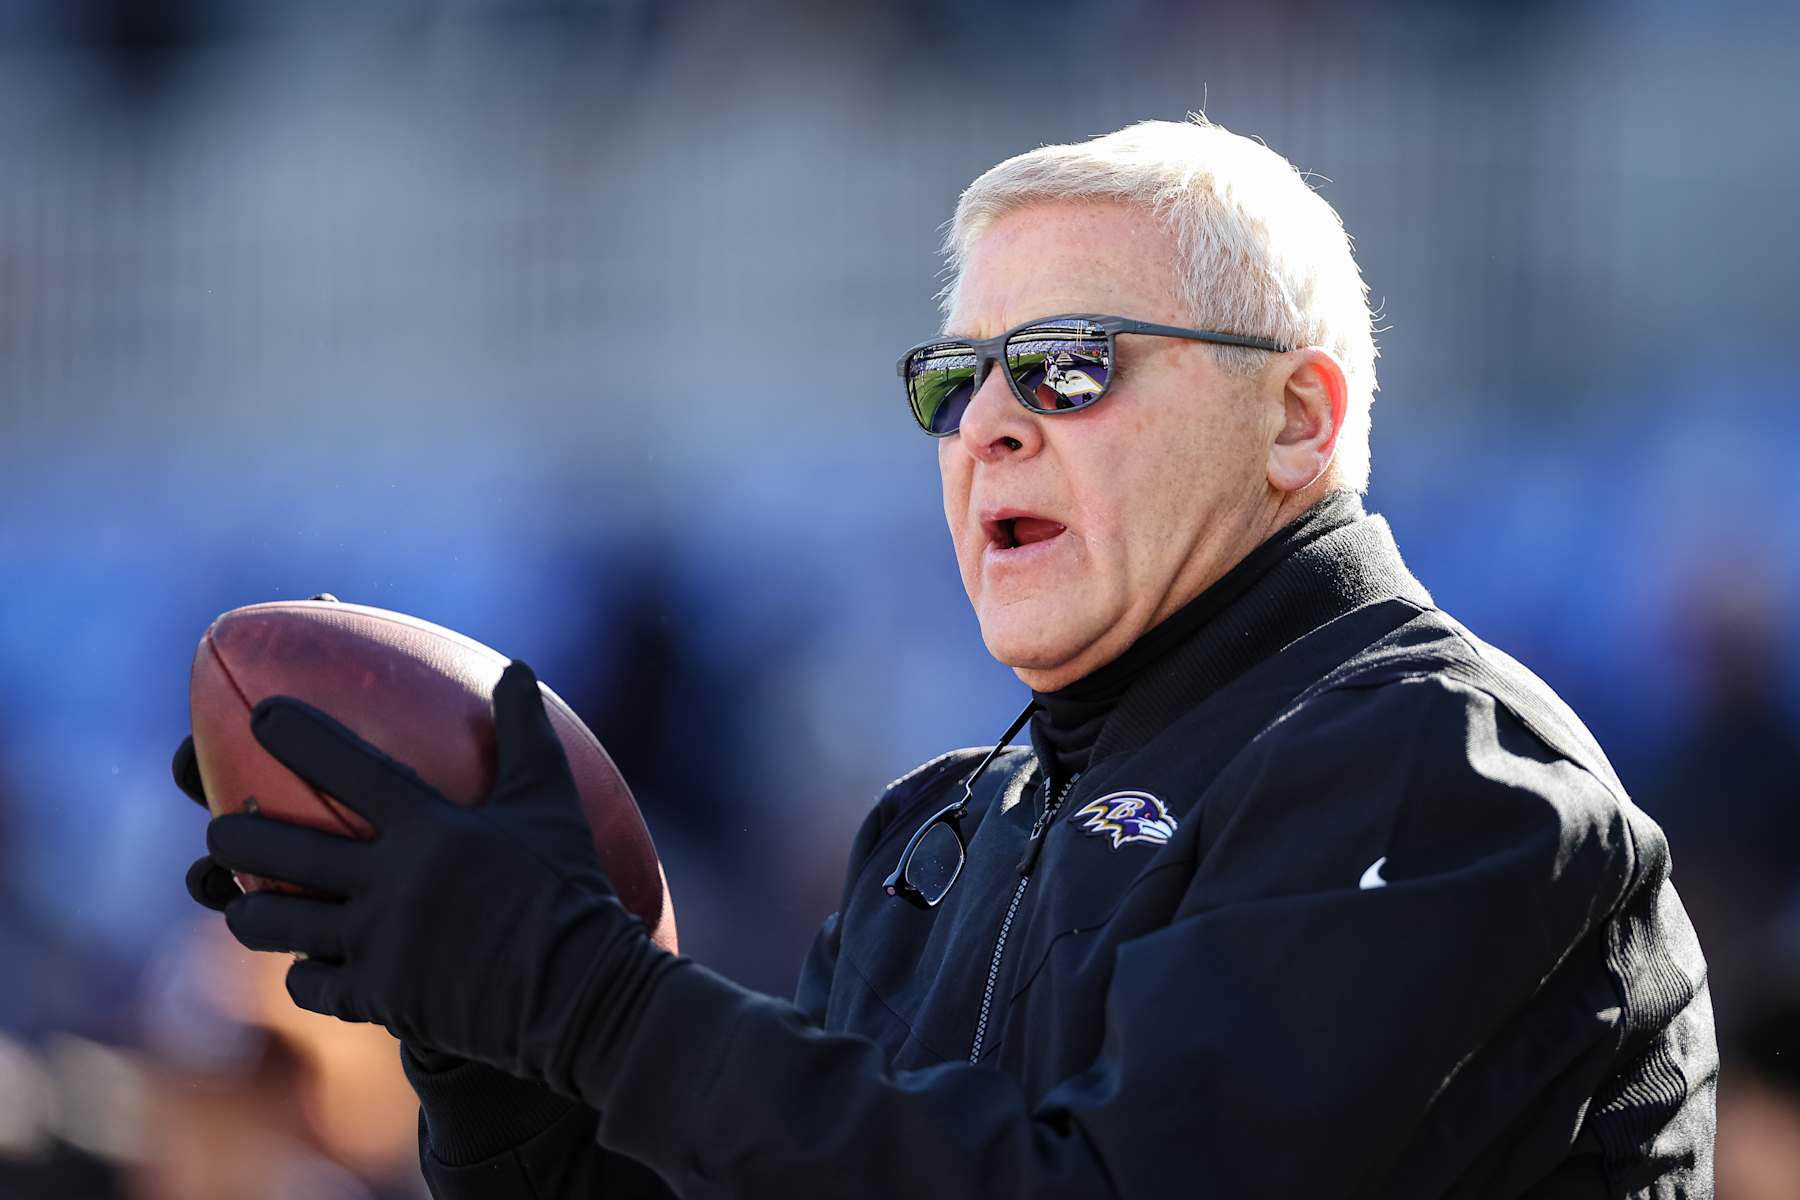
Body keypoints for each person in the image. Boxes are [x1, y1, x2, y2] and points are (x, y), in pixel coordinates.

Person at [171, 118, 1717, 1197]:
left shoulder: (1441, 768)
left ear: (1297, 420)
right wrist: (489, 1044)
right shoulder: (941, 831)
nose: (989, 422)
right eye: (952, 381)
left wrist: (586, 1000)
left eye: (1069, 362)